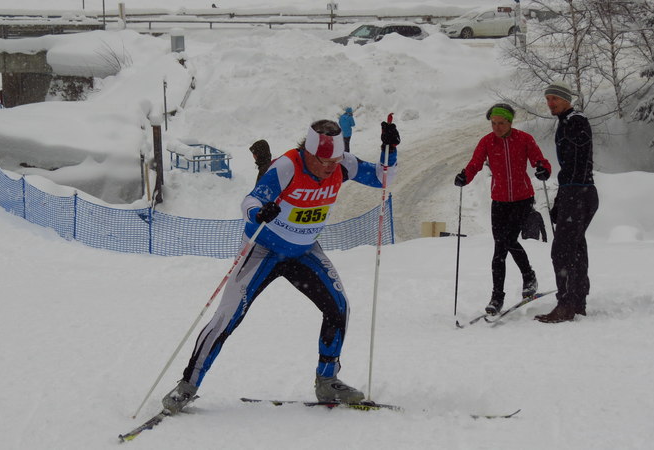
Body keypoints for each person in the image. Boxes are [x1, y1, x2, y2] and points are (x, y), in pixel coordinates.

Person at [161, 118, 400, 414]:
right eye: (323, 160)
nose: (330, 167)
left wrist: (390, 148)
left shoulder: (343, 165)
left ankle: (327, 380)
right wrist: (259, 212)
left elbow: (382, 178)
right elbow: (249, 201)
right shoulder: (287, 167)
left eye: (335, 160)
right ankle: (187, 385)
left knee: (339, 308)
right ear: (308, 152)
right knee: (228, 316)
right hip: (263, 251)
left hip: (303, 251)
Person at [453, 103, 551, 315]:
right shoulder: (487, 142)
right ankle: (505, 291)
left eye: (501, 123)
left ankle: (517, 283)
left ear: (510, 122)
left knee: (505, 241)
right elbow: (475, 164)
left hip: (523, 199)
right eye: (493, 123)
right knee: (501, 246)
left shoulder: (524, 139)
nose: (496, 127)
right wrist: (464, 177)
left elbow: (539, 160)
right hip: (499, 201)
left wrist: (543, 169)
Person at [535, 81, 598, 323]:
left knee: (562, 250)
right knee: (576, 247)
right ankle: (578, 301)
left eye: (554, 99)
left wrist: (568, 196)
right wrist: (560, 199)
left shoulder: (576, 121)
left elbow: (578, 161)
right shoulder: (566, 122)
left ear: (566, 100)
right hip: (574, 191)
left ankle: (566, 304)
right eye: (548, 99)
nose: (550, 103)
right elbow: (570, 165)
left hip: (579, 192)